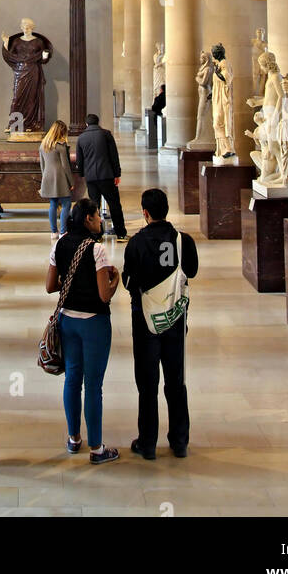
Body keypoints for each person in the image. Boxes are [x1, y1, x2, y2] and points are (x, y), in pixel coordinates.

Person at [122, 188, 199, 460]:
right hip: (175, 320)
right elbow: (191, 271)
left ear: (145, 213)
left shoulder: (136, 243)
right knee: (176, 381)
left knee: (147, 384)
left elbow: (129, 283)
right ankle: (179, 441)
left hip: (145, 323)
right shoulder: (183, 241)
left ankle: (148, 442)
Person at [45, 198, 120, 464]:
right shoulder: (97, 249)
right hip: (93, 323)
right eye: (97, 216)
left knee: (73, 379)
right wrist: (116, 280)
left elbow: (50, 286)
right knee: (94, 386)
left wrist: (72, 283)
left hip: (68, 321)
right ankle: (97, 448)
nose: (100, 220)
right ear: (88, 219)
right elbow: (103, 295)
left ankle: (74, 438)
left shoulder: (60, 243)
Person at [75, 113, 127, 241]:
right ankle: (120, 233)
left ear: (86, 124)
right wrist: (117, 173)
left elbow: (79, 160)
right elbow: (114, 156)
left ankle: (97, 235)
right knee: (114, 204)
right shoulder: (106, 134)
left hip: (91, 177)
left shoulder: (81, 138)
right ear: (98, 122)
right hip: (107, 175)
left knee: (94, 206)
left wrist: (82, 174)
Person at [39, 119, 74, 240]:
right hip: (60, 177)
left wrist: (44, 178)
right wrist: (71, 181)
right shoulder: (61, 146)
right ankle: (63, 231)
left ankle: (53, 231)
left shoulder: (43, 145)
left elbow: (42, 165)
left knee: (53, 204)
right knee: (66, 204)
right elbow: (65, 165)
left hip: (47, 176)